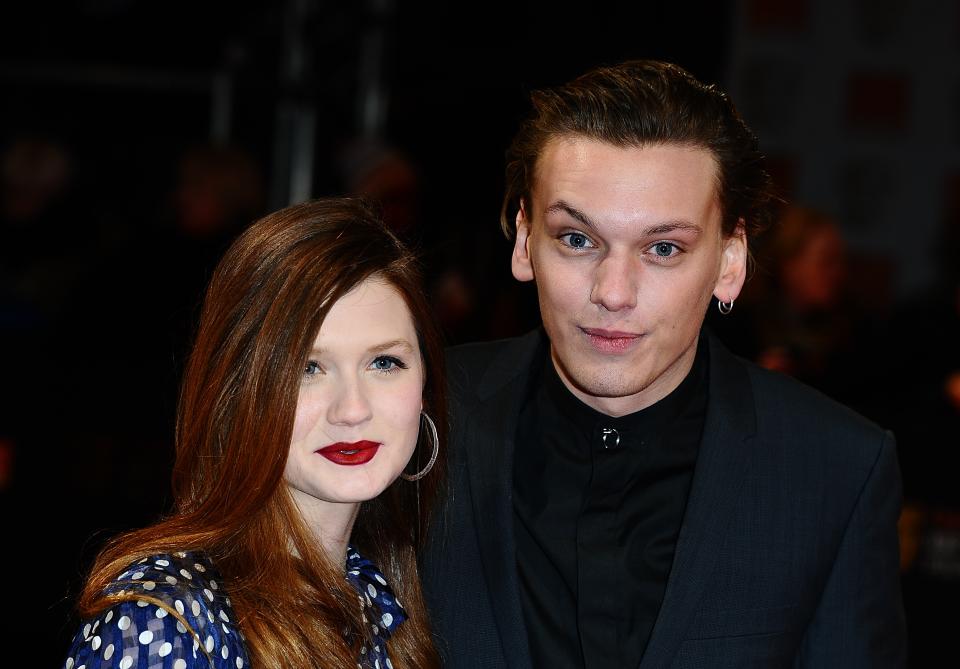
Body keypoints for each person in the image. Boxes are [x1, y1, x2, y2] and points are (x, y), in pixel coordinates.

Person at [421, 60, 906, 668]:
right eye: (577, 239)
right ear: (524, 241)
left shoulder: (834, 469)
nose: (614, 291)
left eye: (663, 249)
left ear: (730, 262)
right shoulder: (419, 413)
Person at [62, 197, 445, 669]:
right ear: (238, 393)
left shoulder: (374, 599)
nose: (352, 409)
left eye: (385, 362)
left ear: (425, 384)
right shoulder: (160, 624)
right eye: (308, 367)